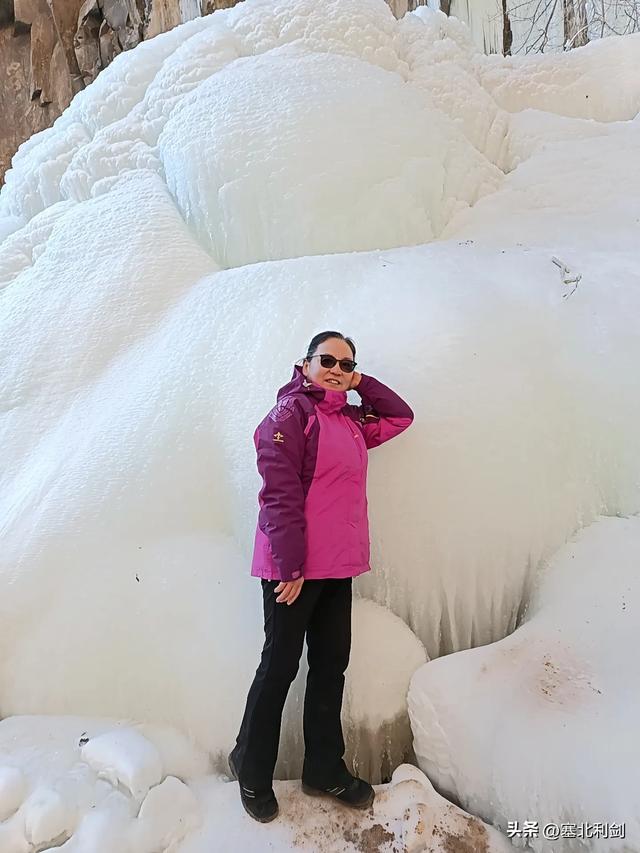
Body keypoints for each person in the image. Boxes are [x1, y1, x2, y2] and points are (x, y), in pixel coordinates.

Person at [228, 330, 414, 822]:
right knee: (280, 667)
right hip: (294, 569)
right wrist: (289, 565)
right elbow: (278, 493)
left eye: (345, 363)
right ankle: (249, 767)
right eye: (326, 359)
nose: (335, 368)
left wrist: (362, 383)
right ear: (305, 364)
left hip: (337, 566)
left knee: (331, 666)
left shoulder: (352, 420)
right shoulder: (290, 416)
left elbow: (399, 416)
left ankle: (323, 768)